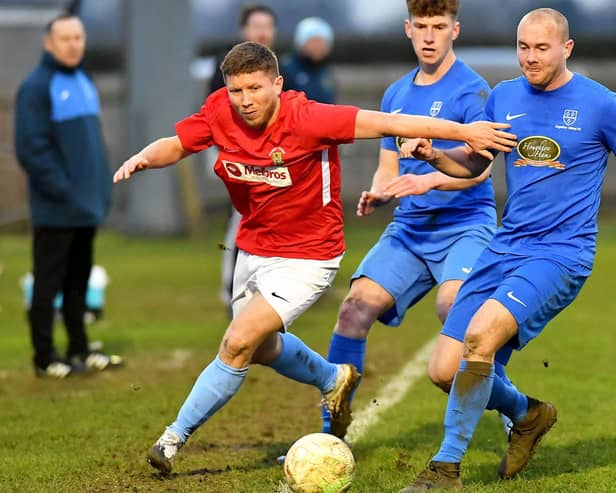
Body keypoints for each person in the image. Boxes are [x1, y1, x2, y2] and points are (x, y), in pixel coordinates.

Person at [112, 41, 515, 474]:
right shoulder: (219, 111)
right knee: (262, 347)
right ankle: (331, 378)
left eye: (255, 88)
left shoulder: (309, 118)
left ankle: (172, 438)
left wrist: (465, 133)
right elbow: (179, 143)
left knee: (237, 342)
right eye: (236, 91)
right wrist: (143, 158)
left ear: (277, 84)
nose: (245, 101)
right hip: (253, 247)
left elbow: (388, 122)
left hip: (308, 256)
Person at [397, 8, 616, 491]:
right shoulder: (503, 97)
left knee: (480, 338)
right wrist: (434, 153)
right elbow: (473, 166)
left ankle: (445, 468)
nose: (530, 57)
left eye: (542, 48)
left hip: (560, 254)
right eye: (523, 47)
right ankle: (529, 413)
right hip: (505, 247)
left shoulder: (601, 105)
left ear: (567, 49)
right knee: (442, 370)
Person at [320, 0, 518, 437]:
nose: (430, 36)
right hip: (410, 230)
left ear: (455, 30)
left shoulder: (473, 91)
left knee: (455, 311)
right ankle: (330, 434)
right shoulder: (396, 95)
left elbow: (479, 172)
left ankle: (511, 407)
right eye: (422, 26)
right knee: (353, 311)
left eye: (439, 26)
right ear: (409, 29)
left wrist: (428, 178)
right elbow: (388, 167)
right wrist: (380, 190)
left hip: (464, 225)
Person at [14, 13, 122, 379]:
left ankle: (79, 348)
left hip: (85, 207)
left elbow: (91, 147)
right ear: (49, 43)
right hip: (56, 208)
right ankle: (45, 356)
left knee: (79, 283)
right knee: (47, 284)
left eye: (78, 37)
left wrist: (98, 192)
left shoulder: (84, 80)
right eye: (65, 38)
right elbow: (30, 149)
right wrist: (65, 190)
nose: (73, 44)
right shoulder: (37, 87)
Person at [207, 4, 278, 312]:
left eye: (267, 26)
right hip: (240, 156)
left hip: (271, 158)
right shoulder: (226, 70)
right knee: (243, 220)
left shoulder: (277, 70)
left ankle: (266, 289)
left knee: (272, 220)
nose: (262, 32)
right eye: (256, 26)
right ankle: (232, 289)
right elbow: (214, 116)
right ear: (244, 31)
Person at [281, 16, 336, 104]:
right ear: (301, 43)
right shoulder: (286, 70)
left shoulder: (326, 71)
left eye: (321, 42)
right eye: (313, 42)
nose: (317, 47)